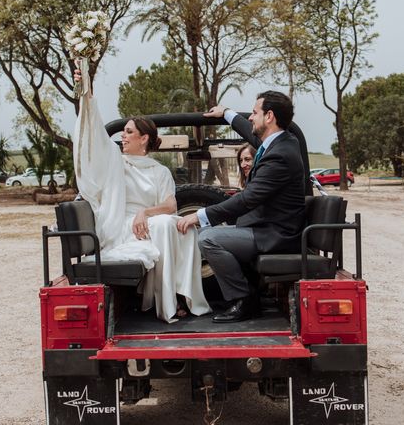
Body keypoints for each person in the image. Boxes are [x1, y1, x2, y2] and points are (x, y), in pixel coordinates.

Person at [73, 71, 211, 323]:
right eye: (122, 132)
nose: (122, 137)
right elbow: (94, 137)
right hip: (121, 226)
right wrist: (87, 94)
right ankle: (165, 301)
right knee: (163, 224)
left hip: (148, 222)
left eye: (128, 132)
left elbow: (170, 205)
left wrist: (145, 212)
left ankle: (175, 294)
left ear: (144, 138)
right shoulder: (115, 164)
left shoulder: (160, 171)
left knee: (181, 226)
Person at [177, 91, 306, 323]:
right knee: (209, 233)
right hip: (267, 227)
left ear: (269, 116)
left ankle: (244, 300)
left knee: (208, 238)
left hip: (276, 234)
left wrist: (200, 214)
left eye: (254, 112)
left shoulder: (280, 155)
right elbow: (249, 131)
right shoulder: (279, 143)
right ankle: (245, 295)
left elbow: (248, 199)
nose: (250, 117)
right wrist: (226, 114)